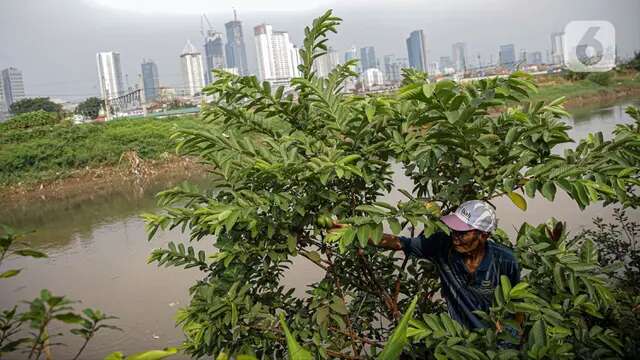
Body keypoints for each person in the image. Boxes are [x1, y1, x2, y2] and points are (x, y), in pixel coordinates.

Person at [337, 200, 520, 329]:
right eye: (453, 231)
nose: (455, 238)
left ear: (484, 235)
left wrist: (517, 336)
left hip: (499, 341)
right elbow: (398, 242)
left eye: (462, 233)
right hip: (461, 341)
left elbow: (519, 304)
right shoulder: (441, 244)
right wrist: (352, 232)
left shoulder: (505, 261)